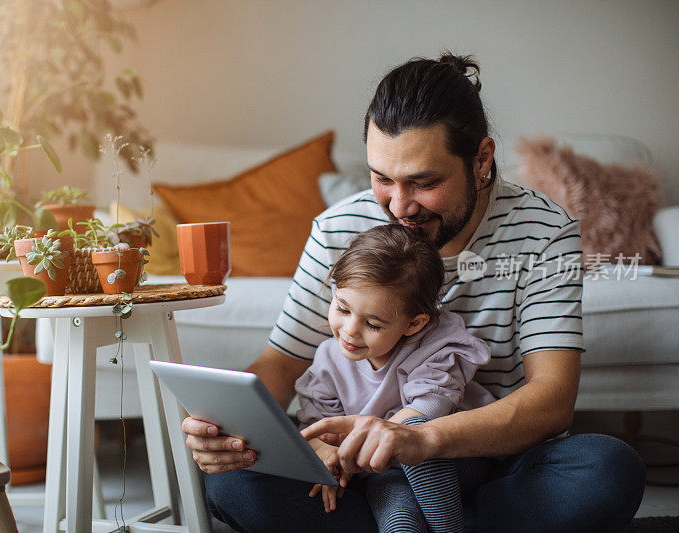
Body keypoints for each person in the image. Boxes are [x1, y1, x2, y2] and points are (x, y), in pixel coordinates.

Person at [183, 52, 646, 532]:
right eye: (382, 179)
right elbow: (281, 363)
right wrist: (227, 428)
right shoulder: (337, 228)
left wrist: (420, 439)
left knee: (606, 469)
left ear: (481, 159)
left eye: (424, 183)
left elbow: (551, 398)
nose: (399, 207)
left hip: (485, 461)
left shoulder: (546, 231)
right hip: (357, 472)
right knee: (232, 483)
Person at [298, 224, 494, 533]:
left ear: (413, 324)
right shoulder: (328, 359)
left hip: (454, 459)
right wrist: (328, 457)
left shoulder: (438, 345)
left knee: (413, 433)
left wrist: (364, 446)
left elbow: (426, 413)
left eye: (372, 324)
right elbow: (318, 428)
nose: (349, 330)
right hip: (384, 472)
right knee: (397, 513)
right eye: (342, 308)